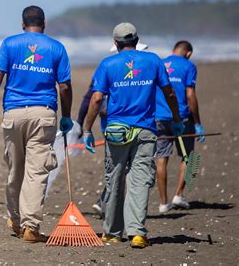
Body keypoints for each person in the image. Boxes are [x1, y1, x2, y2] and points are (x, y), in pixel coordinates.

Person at [83, 22, 184, 248]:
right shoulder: (153, 60)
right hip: (146, 130)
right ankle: (137, 233)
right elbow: (169, 91)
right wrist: (176, 119)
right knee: (139, 181)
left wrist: (87, 129)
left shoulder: (108, 64)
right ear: (137, 41)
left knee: (114, 181)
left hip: (117, 131)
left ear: (116, 43)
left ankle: (112, 232)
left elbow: (97, 99)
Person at [0, 6, 73, 243]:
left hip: (14, 113)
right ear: (44, 23)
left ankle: (15, 217)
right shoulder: (56, 47)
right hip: (43, 114)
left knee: (15, 169)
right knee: (36, 172)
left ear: (23, 23)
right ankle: (30, 226)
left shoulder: (10, 44)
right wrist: (67, 115)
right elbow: (64, 86)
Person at [78, 43, 149, 217]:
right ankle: (106, 206)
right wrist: (81, 126)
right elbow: (92, 98)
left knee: (121, 170)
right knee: (125, 171)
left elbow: (92, 98)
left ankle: (108, 210)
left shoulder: (110, 66)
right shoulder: (111, 67)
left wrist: (83, 126)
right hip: (122, 127)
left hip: (120, 128)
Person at [155, 41, 205, 213]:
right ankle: (179, 194)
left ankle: (163, 203)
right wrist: (197, 123)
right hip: (181, 117)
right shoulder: (189, 66)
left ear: (173, 50)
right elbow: (190, 94)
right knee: (188, 156)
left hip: (159, 117)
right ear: (188, 53)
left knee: (161, 158)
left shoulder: (160, 63)